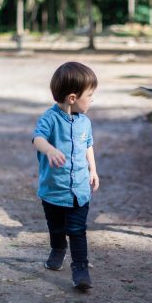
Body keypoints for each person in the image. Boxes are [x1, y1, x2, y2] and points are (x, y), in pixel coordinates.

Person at [33, 61, 99, 291]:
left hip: (80, 190)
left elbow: (88, 145)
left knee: (78, 231)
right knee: (57, 228)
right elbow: (37, 139)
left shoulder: (85, 122)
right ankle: (58, 249)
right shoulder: (50, 119)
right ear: (72, 98)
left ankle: (80, 269)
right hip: (53, 190)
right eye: (89, 95)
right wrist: (49, 150)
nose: (92, 99)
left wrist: (93, 169)